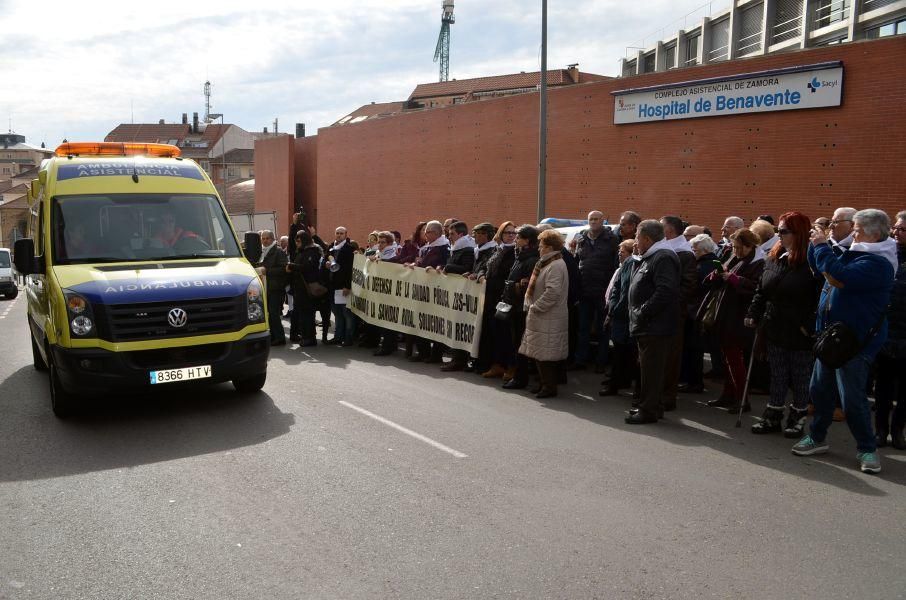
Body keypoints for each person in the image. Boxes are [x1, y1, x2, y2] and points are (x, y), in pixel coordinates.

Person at [792, 209, 896, 474]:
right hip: (831, 338)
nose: (853, 232)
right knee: (820, 391)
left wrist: (821, 246)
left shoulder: (879, 263)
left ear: (873, 233)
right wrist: (816, 246)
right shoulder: (856, 252)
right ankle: (816, 437)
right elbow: (821, 269)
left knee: (852, 399)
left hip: (855, 342)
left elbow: (839, 276)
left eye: (857, 228)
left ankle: (867, 449)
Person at [745, 212, 820, 437]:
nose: (779, 235)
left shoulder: (812, 261)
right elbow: (762, 289)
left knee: (799, 376)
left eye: (784, 231)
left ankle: (797, 417)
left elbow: (819, 297)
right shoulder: (775, 256)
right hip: (774, 325)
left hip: (800, 330)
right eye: (778, 230)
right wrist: (753, 312)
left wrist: (808, 325)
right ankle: (773, 415)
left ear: (799, 234)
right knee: (777, 374)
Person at [624, 220, 680, 424]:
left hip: (655, 325)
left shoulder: (663, 256)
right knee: (649, 369)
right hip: (648, 325)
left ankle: (648, 410)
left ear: (647, 238)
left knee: (652, 370)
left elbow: (665, 290)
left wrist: (642, 312)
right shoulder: (651, 255)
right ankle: (651, 407)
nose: (635, 242)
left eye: (637, 238)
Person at [705, 229, 764, 413]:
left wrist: (733, 278)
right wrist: (718, 274)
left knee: (735, 359)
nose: (735, 250)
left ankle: (741, 398)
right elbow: (713, 281)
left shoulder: (759, 262)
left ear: (749, 245)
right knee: (728, 358)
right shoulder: (735, 258)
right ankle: (728, 394)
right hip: (727, 315)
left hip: (739, 318)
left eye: (738, 247)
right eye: (734, 247)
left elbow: (757, 288)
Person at [518, 229, 569, 398]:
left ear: (549, 247)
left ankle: (549, 387)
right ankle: (544, 383)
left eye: (541, 246)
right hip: (544, 316)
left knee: (545, 355)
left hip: (548, 316)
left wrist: (536, 307)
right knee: (540, 353)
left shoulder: (555, 265)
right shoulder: (548, 263)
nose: (539, 248)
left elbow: (552, 293)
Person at [875, 210, 906, 449]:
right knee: (883, 386)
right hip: (886, 330)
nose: (896, 232)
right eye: (895, 228)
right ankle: (880, 430)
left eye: (901, 229)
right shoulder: (887, 253)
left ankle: (898, 430)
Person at [661, 215, 699, 411]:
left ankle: (667, 397)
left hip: (673, 313)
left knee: (671, 356)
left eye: (661, 227)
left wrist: (669, 305)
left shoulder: (684, 253)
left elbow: (688, 285)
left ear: (669, 231)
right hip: (660, 312)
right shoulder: (665, 249)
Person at [572, 210, 619, 372]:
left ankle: (601, 361)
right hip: (584, 291)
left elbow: (615, 267)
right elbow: (577, 262)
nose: (593, 222)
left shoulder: (612, 240)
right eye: (590, 219)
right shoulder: (581, 239)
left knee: (602, 329)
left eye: (596, 219)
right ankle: (580, 360)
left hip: (602, 292)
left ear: (602, 221)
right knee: (583, 328)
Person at [475, 221, 518, 379]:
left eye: (514, 233)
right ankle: (497, 364)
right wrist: (480, 275)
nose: (511, 236)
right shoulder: (496, 249)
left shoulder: (515, 252)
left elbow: (508, 274)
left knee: (507, 334)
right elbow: (484, 266)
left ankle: (510, 366)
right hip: (491, 297)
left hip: (504, 297)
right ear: (500, 234)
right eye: (508, 233)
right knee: (494, 332)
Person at [679, 233, 720, 394]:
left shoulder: (703, 265)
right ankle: (693, 381)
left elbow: (697, 287)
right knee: (695, 348)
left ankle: (694, 382)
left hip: (696, 311)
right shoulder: (715, 262)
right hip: (700, 310)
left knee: (694, 349)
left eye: (694, 250)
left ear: (702, 251)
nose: (692, 253)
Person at [502, 225, 540, 389]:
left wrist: (512, 285)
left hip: (520, 308)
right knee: (515, 341)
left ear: (527, 240)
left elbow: (526, 286)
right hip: (513, 306)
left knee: (520, 343)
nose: (515, 239)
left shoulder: (531, 259)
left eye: (518, 237)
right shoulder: (520, 256)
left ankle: (521, 377)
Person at [407, 221, 450, 362]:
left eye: (428, 231)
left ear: (437, 233)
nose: (425, 234)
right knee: (421, 320)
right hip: (422, 290)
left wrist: (439, 267)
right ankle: (423, 352)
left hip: (438, 291)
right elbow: (421, 263)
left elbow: (447, 265)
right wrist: (415, 264)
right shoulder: (425, 248)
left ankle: (436, 355)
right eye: (425, 231)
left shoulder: (445, 248)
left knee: (436, 323)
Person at [600, 239, 638, 397]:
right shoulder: (626, 265)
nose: (619, 254)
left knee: (627, 353)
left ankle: (622, 381)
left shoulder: (640, 264)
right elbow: (616, 288)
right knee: (618, 352)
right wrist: (613, 308)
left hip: (629, 316)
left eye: (622, 251)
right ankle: (615, 382)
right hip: (619, 315)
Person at [286, 230, 324, 346]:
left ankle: (309, 338)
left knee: (307, 314)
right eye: (296, 240)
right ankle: (303, 336)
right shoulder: (302, 251)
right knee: (301, 314)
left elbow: (308, 267)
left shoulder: (312, 251)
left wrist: (292, 266)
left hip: (307, 288)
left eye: (299, 240)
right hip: (299, 288)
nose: (297, 243)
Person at [258, 229, 288, 346]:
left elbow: (283, 269)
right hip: (265, 287)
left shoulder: (278, 251)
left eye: (267, 238)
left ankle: (280, 338)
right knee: (268, 314)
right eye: (263, 238)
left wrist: (267, 271)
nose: (265, 241)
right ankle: (272, 336)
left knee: (274, 313)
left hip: (275, 288)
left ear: (272, 239)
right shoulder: (261, 251)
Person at [327, 226, 355, 346]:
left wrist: (347, 286)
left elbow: (350, 269)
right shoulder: (331, 247)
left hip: (343, 286)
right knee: (337, 313)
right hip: (333, 286)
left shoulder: (349, 249)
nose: (338, 235)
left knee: (347, 314)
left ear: (346, 234)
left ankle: (348, 338)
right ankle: (338, 337)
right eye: (337, 233)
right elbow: (325, 259)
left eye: (341, 233)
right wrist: (326, 264)